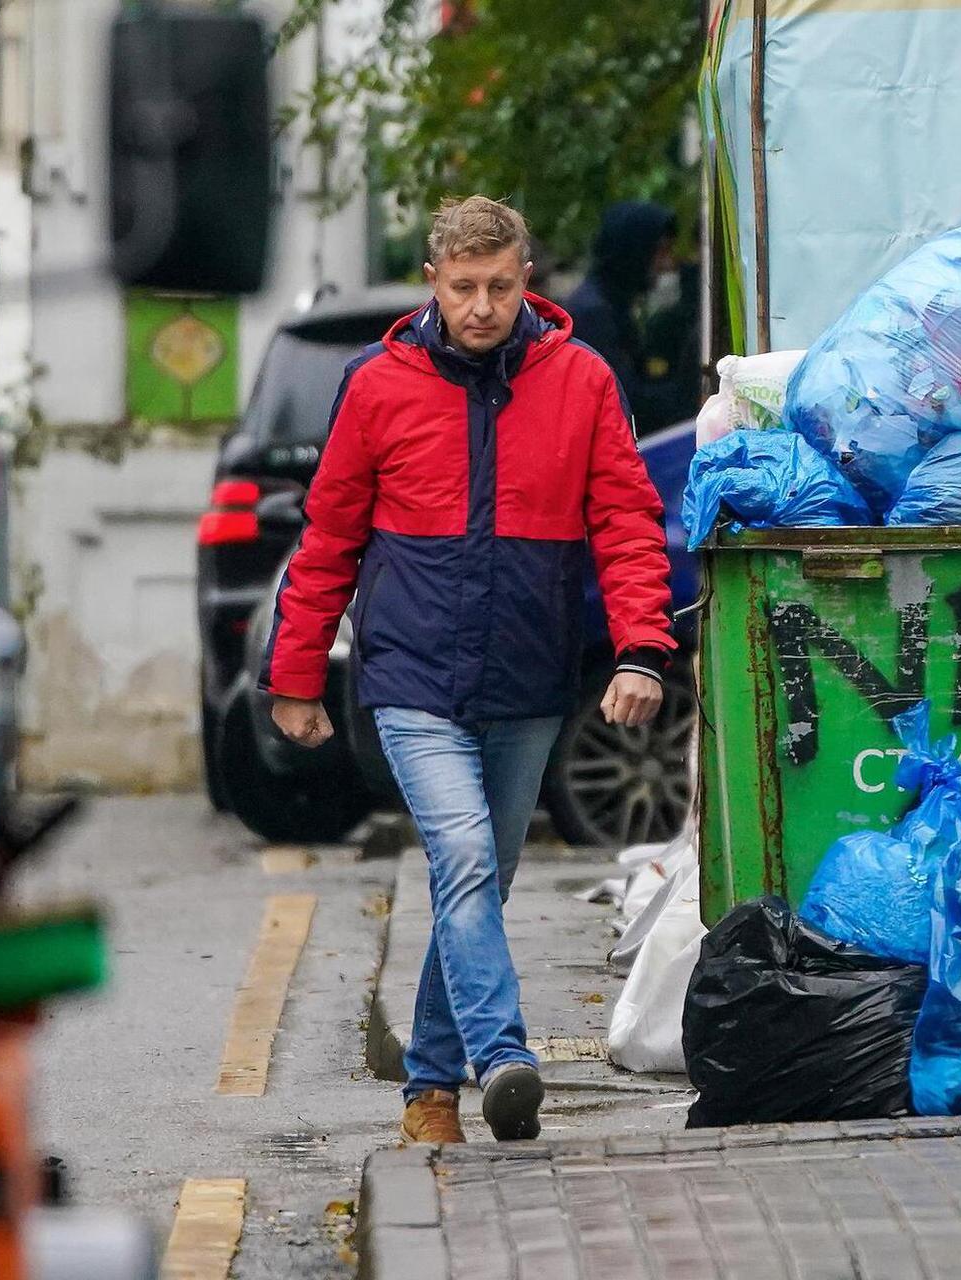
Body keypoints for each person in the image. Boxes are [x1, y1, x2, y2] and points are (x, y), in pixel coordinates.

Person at [259, 195, 676, 1145]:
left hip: (529, 675)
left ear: (526, 278)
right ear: (433, 285)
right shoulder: (375, 386)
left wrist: (642, 647)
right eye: (464, 288)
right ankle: (504, 1055)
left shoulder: (581, 381)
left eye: (498, 285)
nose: (482, 306)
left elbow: (626, 522)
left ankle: (430, 1094)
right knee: (460, 856)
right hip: (411, 672)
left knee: (478, 883)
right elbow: (329, 538)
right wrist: (296, 674)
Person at [565, 200, 697, 436]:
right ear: (635, 252)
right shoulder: (594, 314)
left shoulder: (613, 305)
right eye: (660, 252)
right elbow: (626, 400)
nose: (666, 264)